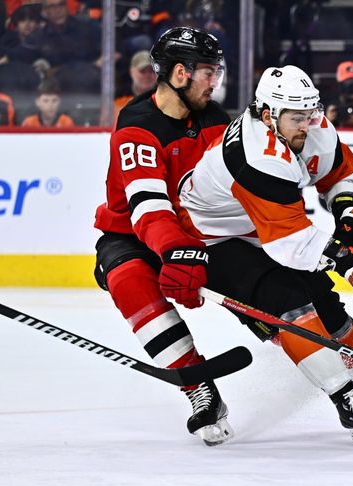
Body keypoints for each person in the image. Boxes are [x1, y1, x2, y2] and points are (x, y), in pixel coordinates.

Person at [179, 65, 353, 446]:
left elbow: (339, 178)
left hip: (264, 228)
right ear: (268, 116)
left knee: (328, 306)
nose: (308, 124)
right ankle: (348, 400)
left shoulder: (311, 126)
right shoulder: (255, 154)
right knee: (290, 304)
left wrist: (351, 225)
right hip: (212, 239)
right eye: (297, 118)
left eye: (312, 114)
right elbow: (291, 242)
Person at [92, 28, 231, 445]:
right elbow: (147, 208)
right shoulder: (136, 124)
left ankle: (340, 381)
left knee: (259, 288)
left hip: (195, 234)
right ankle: (197, 387)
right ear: (179, 73)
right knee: (128, 280)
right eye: (207, 72)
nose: (215, 82)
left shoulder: (216, 120)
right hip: (133, 233)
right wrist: (178, 251)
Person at [113, 50, 158, 124]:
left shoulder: (166, 97)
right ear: (131, 72)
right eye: (142, 71)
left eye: (151, 71)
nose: (147, 76)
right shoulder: (119, 97)